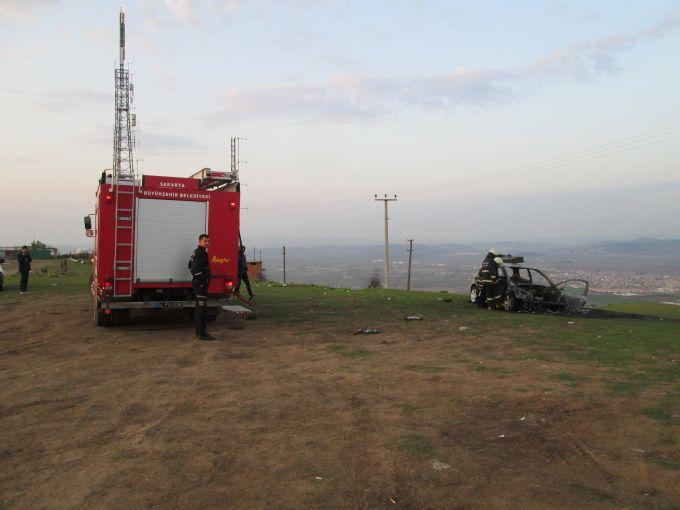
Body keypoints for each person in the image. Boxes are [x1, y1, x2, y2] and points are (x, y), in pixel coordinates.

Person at [188, 234, 214, 341]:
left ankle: (200, 332)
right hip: (200, 286)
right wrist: (203, 281)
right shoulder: (200, 253)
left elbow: (189, 265)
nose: (207, 243)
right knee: (201, 310)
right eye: (205, 241)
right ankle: (201, 334)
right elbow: (194, 269)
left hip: (199, 284)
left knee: (200, 309)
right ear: (199, 241)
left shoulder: (199, 252)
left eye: (208, 241)